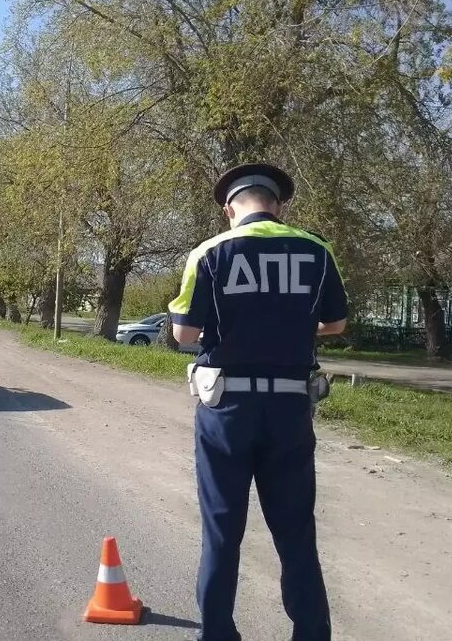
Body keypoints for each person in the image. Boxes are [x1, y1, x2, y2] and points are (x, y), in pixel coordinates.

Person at [167, 163, 347, 641]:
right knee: (295, 535)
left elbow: (183, 334)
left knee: (223, 533)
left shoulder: (209, 252)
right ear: (279, 206)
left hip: (226, 409)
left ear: (230, 208)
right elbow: (336, 323)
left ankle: (219, 634)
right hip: (290, 409)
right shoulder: (316, 250)